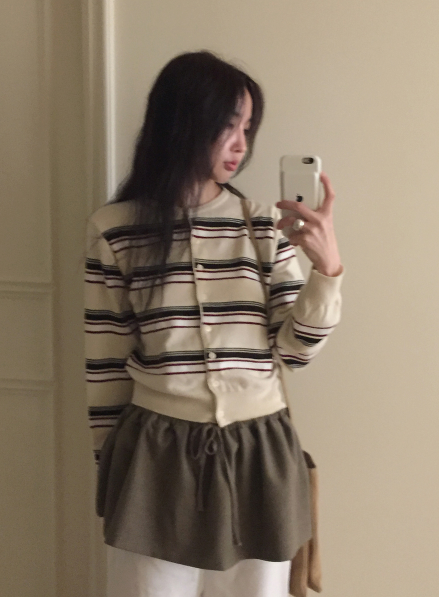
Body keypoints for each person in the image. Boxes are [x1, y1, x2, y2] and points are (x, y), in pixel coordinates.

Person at [84, 50, 343, 597]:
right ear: (182, 120)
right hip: (156, 456)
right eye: (228, 125)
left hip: (260, 451)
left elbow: (294, 353)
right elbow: (105, 362)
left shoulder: (263, 226)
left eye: (248, 127)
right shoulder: (115, 230)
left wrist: (327, 271)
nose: (241, 144)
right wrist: (110, 468)